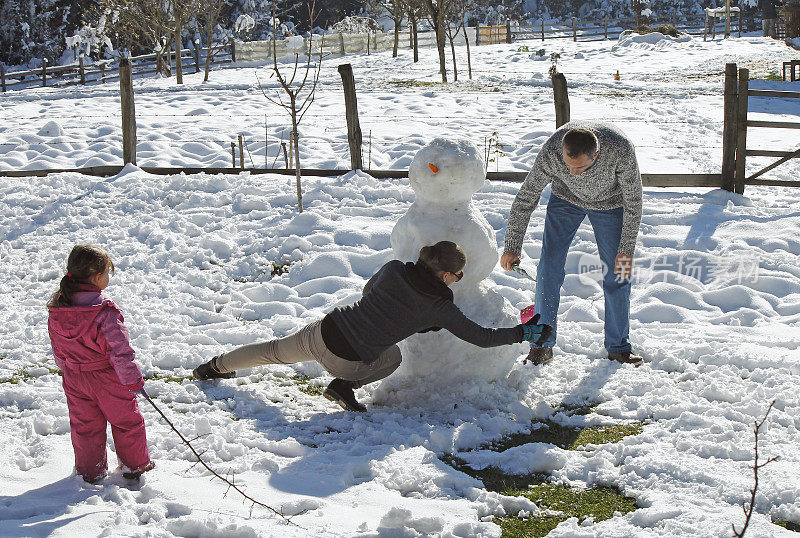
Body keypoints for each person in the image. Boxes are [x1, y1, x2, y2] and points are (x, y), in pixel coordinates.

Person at [193, 241, 552, 412]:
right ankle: (342, 385)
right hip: (348, 358)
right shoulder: (440, 306)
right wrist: (524, 333)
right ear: (445, 274)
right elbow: (480, 337)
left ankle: (213, 366)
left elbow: (368, 291)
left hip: (325, 329)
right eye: (457, 275)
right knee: (392, 357)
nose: (457, 280)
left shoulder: (396, 268)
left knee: (272, 351)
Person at [501, 122, 643, 367]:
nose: (573, 172)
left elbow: (634, 202)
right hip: (565, 201)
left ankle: (618, 347)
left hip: (611, 205)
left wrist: (626, 251)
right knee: (548, 269)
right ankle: (541, 345)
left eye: (580, 167)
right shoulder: (553, 151)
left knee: (618, 272)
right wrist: (512, 245)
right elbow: (527, 196)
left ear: (596, 155)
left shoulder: (620, 150)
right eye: (568, 166)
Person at [48, 245, 154, 483]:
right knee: (127, 421)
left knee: (85, 426)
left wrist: (66, 366)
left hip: (74, 377)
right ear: (97, 277)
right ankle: (135, 465)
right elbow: (119, 351)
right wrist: (133, 380)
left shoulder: (58, 305)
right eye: (107, 273)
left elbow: (58, 345)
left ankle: (89, 471)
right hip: (107, 378)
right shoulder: (103, 311)